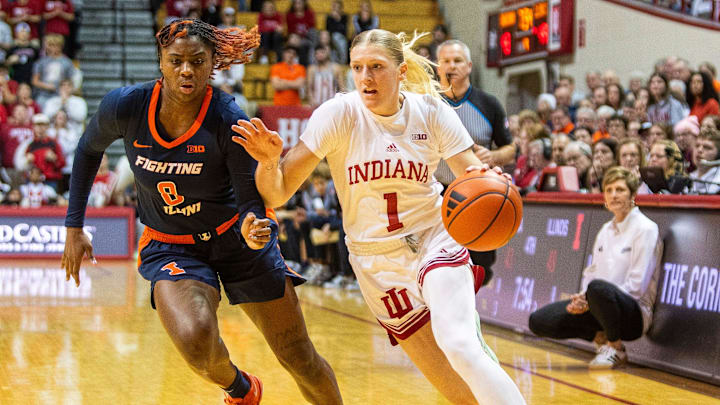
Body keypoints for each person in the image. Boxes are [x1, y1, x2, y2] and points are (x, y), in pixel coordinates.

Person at [231, 28, 525, 405]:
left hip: (434, 238)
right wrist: (270, 162)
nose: (366, 77)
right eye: (358, 67)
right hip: (375, 263)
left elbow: (471, 173)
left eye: (376, 67)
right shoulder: (338, 114)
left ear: (401, 72)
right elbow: (276, 191)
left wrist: (492, 182)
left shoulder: (431, 111)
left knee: (462, 345)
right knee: (457, 392)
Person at [60, 19, 342, 405]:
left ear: (213, 64)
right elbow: (88, 150)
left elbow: (248, 202)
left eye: (197, 61)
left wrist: (252, 226)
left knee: (299, 357)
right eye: (176, 60)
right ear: (161, 60)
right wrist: (74, 226)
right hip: (172, 246)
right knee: (195, 341)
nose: (186, 70)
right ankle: (241, 389)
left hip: (234, 239)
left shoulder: (229, 117)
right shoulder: (125, 106)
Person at [529, 167, 662, 368]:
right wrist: (583, 298)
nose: (614, 195)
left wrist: (594, 296)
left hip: (633, 314)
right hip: (600, 305)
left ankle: (615, 348)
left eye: (620, 190)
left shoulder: (646, 229)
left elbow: (637, 286)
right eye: (609, 190)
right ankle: (601, 340)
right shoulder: (605, 230)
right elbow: (591, 272)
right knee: (539, 321)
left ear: (633, 195)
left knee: (598, 289)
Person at [435, 39, 516, 284]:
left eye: (457, 60)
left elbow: (511, 148)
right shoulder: (426, 104)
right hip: (437, 195)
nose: (452, 66)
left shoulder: (488, 103)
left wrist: (494, 156)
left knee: (477, 269)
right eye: (446, 61)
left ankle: (471, 317)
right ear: (437, 67)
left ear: (469, 66)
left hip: (478, 195)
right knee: (438, 267)